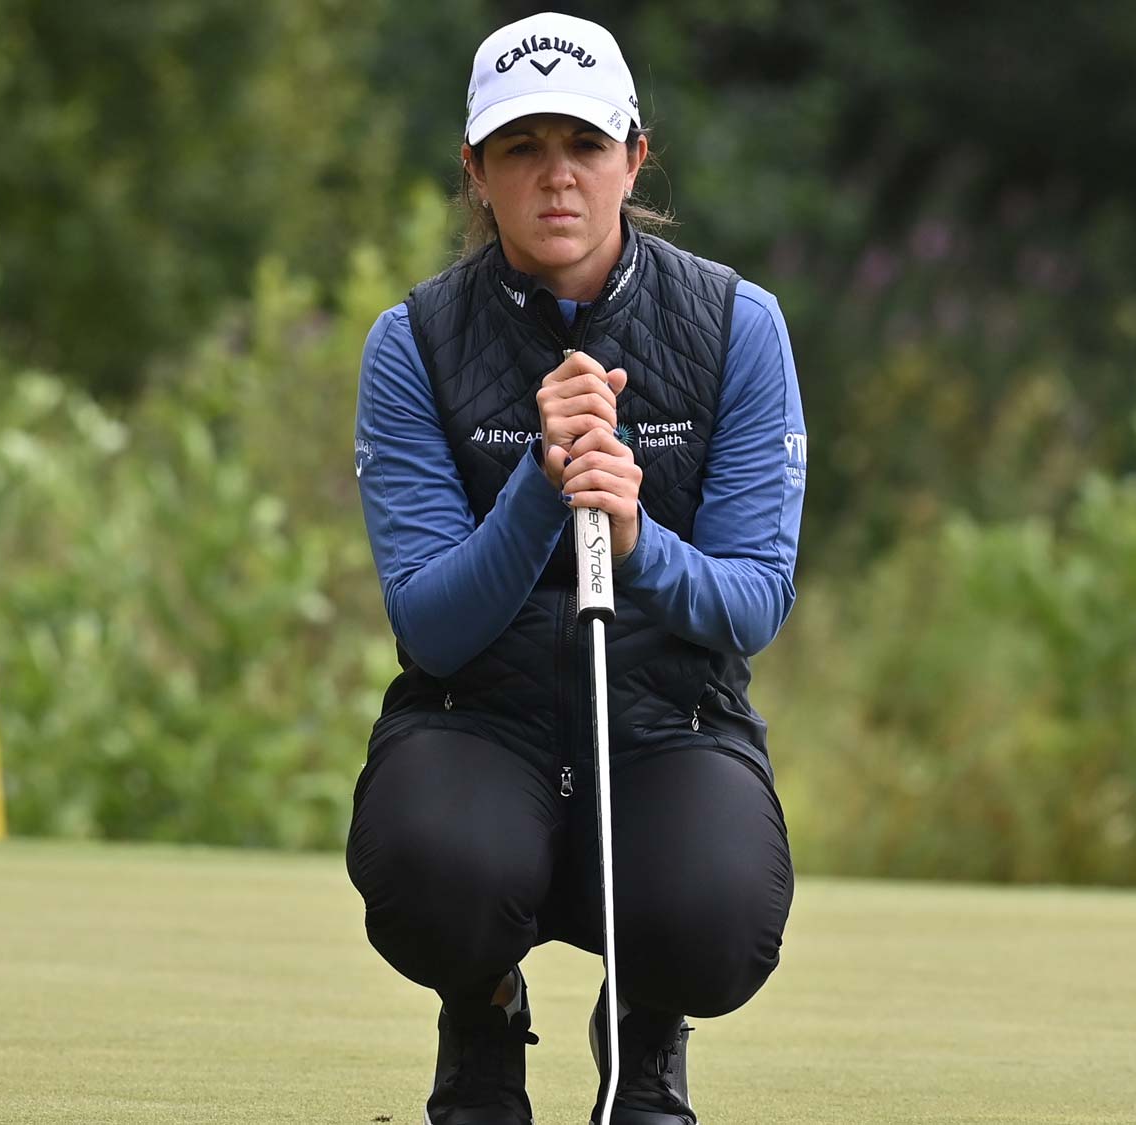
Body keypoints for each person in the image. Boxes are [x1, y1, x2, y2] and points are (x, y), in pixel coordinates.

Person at [345, 12, 805, 1125]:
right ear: (475, 170)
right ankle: (483, 1008)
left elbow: (749, 602)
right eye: (520, 148)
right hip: (476, 717)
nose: (556, 177)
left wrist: (636, 537)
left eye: (583, 145)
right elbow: (431, 628)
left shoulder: (736, 325)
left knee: (715, 921)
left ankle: (645, 1028)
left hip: (666, 720)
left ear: (633, 156)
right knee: (429, 875)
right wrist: (538, 488)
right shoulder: (411, 344)